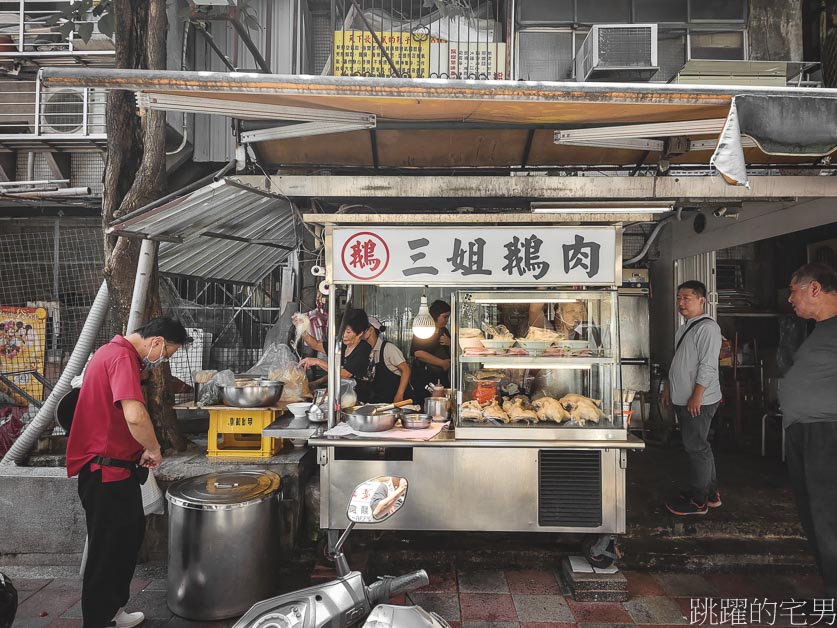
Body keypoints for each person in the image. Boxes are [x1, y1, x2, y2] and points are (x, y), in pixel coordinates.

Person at [65, 317, 191, 628]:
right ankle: (97, 619)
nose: (163, 360)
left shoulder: (112, 353)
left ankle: (112, 609)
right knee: (107, 549)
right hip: (104, 472)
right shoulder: (121, 357)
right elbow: (134, 414)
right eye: (167, 354)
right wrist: (154, 448)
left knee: (126, 540)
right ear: (157, 342)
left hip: (117, 470)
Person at [779, 262, 837, 600]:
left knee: (827, 513)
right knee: (814, 514)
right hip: (806, 432)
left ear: (814, 288)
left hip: (826, 433)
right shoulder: (817, 329)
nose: (790, 299)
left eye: (793, 290)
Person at [662, 280, 723, 516]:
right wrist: (669, 388)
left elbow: (708, 366)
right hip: (684, 398)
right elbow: (680, 362)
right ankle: (711, 494)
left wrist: (697, 396)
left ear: (701, 300)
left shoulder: (707, 328)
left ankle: (699, 502)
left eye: (687, 298)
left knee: (697, 448)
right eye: (679, 298)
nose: (681, 302)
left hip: (699, 401)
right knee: (700, 447)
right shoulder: (686, 326)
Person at [299, 308, 372, 392]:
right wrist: (300, 328)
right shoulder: (342, 345)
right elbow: (315, 344)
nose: (344, 335)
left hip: (360, 399)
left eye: (348, 332)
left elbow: (344, 374)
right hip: (342, 394)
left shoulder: (363, 349)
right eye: (342, 330)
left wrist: (317, 361)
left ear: (360, 333)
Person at [359, 316, 412, 404]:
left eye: (362, 330)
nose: (359, 333)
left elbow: (406, 370)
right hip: (380, 402)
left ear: (371, 330)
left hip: (397, 403)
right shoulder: (366, 351)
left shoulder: (388, 348)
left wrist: (399, 394)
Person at [409, 299, 452, 406]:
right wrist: (442, 363)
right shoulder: (423, 330)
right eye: (445, 317)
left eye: (448, 317)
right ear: (436, 316)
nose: (447, 320)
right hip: (424, 379)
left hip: (441, 378)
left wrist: (451, 343)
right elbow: (418, 353)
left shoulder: (444, 331)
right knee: (426, 405)